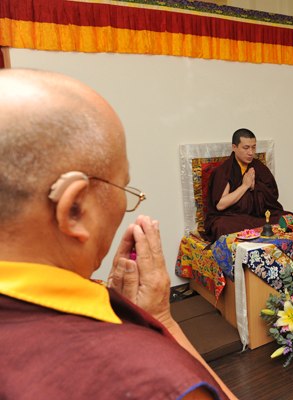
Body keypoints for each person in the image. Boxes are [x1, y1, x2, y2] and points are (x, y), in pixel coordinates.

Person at [0, 69, 236, 399]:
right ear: (74, 209)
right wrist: (162, 321)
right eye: (122, 186)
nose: (128, 200)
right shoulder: (142, 375)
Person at [204, 128, 288, 241]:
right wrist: (245, 186)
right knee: (222, 226)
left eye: (253, 147)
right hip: (233, 218)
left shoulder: (258, 167)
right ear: (234, 147)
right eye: (246, 148)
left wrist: (256, 187)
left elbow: (272, 196)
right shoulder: (225, 170)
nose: (251, 152)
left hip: (256, 216)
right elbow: (221, 204)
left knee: (287, 219)